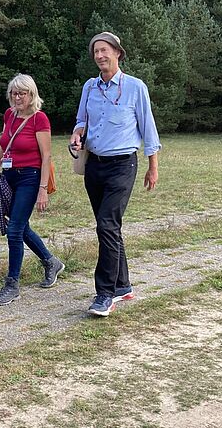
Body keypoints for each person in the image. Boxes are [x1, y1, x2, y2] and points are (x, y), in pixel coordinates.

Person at [69, 32, 161, 317]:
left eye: (105, 50)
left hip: (123, 165)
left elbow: (148, 128)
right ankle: (122, 285)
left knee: (106, 225)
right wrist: (77, 133)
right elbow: (82, 119)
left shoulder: (135, 87)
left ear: (118, 53)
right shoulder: (89, 87)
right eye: (96, 51)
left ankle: (104, 294)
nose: (99, 56)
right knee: (108, 226)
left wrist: (152, 166)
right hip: (94, 165)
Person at [0, 74, 64, 306]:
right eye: (14, 93)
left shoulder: (39, 119)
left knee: (14, 230)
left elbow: (46, 155)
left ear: (32, 95)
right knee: (19, 226)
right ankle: (51, 262)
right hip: (9, 177)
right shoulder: (9, 115)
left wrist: (42, 189)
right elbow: (3, 146)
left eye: (23, 93)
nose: (18, 97)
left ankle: (12, 284)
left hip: (29, 178)